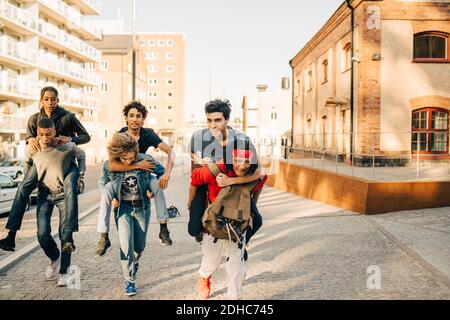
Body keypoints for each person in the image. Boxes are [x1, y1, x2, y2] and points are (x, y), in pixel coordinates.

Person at [0, 86, 90, 252]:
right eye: (46, 99)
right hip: (42, 162)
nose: (50, 102)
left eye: (53, 99)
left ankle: (68, 235)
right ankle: (11, 236)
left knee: (70, 186)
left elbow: (86, 137)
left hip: (67, 163)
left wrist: (70, 138)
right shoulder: (34, 119)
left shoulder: (67, 117)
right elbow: (29, 140)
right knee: (22, 188)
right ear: (41, 100)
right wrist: (30, 140)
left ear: (58, 100)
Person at [95, 101, 175, 257]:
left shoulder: (148, 134)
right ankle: (103, 237)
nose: (135, 119)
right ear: (126, 118)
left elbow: (170, 152)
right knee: (106, 191)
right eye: (131, 116)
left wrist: (166, 174)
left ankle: (163, 228)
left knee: (157, 184)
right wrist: (138, 165)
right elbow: (111, 165)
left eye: (138, 116)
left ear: (143, 119)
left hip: (143, 175)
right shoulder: (120, 136)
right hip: (124, 175)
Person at [189, 146, 266, 299]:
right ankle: (204, 277)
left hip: (237, 227)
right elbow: (195, 179)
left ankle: (234, 297)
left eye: (246, 162)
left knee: (236, 268)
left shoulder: (257, 176)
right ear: (231, 159)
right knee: (211, 262)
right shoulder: (215, 171)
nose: (242, 165)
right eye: (237, 161)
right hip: (213, 226)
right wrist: (191, 205)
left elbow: (254, 199)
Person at [188, 99, 263, 245]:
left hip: (234, 186)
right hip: (205, 181)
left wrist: (231, 181)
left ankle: (242, 244)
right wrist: (199, 159)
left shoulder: (241, 140)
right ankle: (203, 230)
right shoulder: (199, 136)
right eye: (209, 120)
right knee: (194, 228)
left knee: (257, 221)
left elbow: (258, 172)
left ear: (227, 119)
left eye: (217, 120)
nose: (212, 125)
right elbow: (191, 152)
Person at [98, 132, 157, 296]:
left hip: (142, 209)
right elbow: (103, 183)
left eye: (131, 157)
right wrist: (111, 199)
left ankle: (135, 260)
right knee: (126, 246)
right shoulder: (109, 165)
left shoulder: (146, 159)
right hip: (122, 209)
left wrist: (153, 188)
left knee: (139, 246)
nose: (128, 161)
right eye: (124, 158)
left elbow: (160, 173)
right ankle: (129, 280)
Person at [30, 118, 86, 286]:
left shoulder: (65, 145)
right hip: (44, 195)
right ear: (37, 134)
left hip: (63, 194)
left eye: (48, 134)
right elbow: (27, 165)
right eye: (41, 135)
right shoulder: (34, 147)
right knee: (42, 234)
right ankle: (55, 257)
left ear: (55, 132)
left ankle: (65, 271)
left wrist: (80, 175)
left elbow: (81, 155)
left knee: (65, 233)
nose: (45, 138)